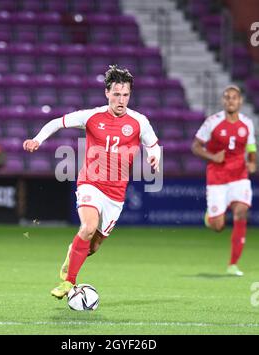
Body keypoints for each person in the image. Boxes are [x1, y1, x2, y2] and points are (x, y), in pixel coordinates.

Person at [23, 65, 161, 299]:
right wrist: (37, 140)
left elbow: (153, 144)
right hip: (91, 183)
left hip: (116, 193)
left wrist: (153, 155)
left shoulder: (139, 121)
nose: (121, 99)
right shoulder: (91, 116)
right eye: (116, 94)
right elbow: (58, 122)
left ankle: (72, 255)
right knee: (87, 227)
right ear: (107, 93)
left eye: (125, 94)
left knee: (93, 246)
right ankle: (68, 283)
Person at [191, 85, 257, 276]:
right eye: (227, 97)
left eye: (234, 97)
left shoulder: (247, 123)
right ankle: (210, 218)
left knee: (241, 212)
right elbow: (196, 146)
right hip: (217, 178)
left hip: (239, 176)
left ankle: (233, 264)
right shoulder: (212, 122)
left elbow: (251, 149)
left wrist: (252, 163)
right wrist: (212, 157)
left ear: (240, 101)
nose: (230, 100)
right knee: (218, 226)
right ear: (223, 100)